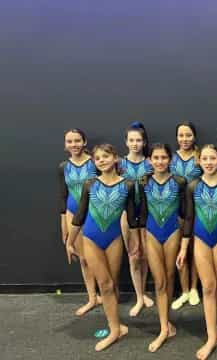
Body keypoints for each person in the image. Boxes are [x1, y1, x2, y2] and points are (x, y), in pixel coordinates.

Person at [66, 144, 140, 351]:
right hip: (91, 238)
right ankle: (114, 329)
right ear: (95, 163)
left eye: (105, 156)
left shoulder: (128, 185)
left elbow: (132, 218)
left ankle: (117, 323)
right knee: (105, 284)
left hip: (114, 239)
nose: (102, 160)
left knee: (112, 284)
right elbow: (79, 216)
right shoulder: (90, 184)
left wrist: (135, 242)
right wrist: (70, 241)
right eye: (97, 158)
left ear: (115, 158)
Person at [176, 144, 217, 360]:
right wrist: (184, 248)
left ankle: (215, 323)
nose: (209, 162)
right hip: (202, 240)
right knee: (209, 287)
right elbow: (190, 219)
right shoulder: (193, 186)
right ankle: (211, 336)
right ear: (199, 161)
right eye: (205, 159)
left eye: (213, 158)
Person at [138, 143, 187, 351]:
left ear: (170, 160)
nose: (159, 162)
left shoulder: (179, 181)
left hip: (173, 232)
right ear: (149, 160)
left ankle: (166, 322)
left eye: (164, 158)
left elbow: (185, 213)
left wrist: (185, 242)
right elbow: (140, 214)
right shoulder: (143, 181)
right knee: (159, 282)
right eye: (156, 158)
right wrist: (140, 240)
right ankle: (163, 328)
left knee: (169, 279)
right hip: (151, 232)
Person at [58, 128, 101, 316]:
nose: (74, 144)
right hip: (72, 214)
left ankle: (107, 292)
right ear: (65, 144)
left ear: (84, 142)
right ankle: (92, 297)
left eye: (77, 140)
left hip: (94, 213)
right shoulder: (63, 167)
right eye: (70, 141)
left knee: (97, 256)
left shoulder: (95, 162)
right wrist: (63, 224)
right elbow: (62, 195)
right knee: (83, 259)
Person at [119, 121, 154, 316]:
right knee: (133, 255)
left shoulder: (150, 163)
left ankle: (145, 291)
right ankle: (139, 296)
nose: (135, 143)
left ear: (144, 142)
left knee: (145, 255)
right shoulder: (119, 164)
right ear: (126, 142)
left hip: (147, 213)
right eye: (131, 140)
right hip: (127, 213)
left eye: (138, 140)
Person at [170, 121, 202, 309]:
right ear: (176, 137)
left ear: (194, 137)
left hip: (198, 210)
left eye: (188, 135)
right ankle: (183, 291)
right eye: (181, 135)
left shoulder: (200, 157)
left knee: (195, 252)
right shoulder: (171, 159)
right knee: (180, 253)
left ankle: (194, 288)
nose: (184, 139)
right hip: (176, 210)